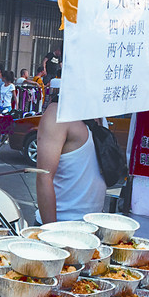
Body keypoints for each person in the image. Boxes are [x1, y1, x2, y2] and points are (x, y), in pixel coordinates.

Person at [36, 93, 106, 224]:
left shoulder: (98, 111)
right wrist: (51, 232)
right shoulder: (57, 114)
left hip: (94, 225)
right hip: (63, 225)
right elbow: (44, 176)